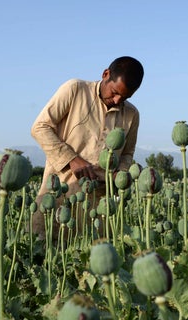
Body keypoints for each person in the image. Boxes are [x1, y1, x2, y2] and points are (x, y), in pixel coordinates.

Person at [31, 56, 144, 239]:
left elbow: (127, 154)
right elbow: (40, 128)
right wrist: (72, 159)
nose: (116, 100)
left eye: (124, 97)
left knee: (88, 255)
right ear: (105, 74)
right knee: (44, 250)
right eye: (114, 92)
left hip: (98, 205)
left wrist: (119, 174)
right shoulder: (75, 90)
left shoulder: (131, 114)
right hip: (58, 193)